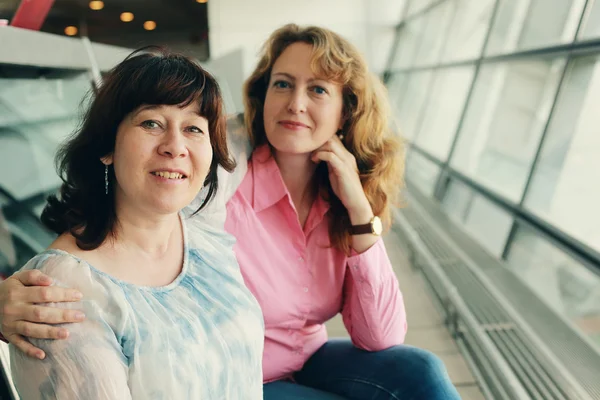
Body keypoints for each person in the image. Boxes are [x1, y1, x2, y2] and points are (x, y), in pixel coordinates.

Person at [1, 25, 460, 399]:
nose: (296, 103)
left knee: (419, 371)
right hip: (241, 370)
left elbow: (380, 335)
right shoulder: (226, 174)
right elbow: (141, 206)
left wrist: (358, 208)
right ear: (263, 96)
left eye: (318, 89)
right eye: (283, 84)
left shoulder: (338, 197)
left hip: (304, 359)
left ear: (346, 112)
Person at [5, 47, 264, 399]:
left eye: (193, 128)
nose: (175, 146)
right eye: (151, 123)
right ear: (106, 147)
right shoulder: (64, 291)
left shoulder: (204, 238)